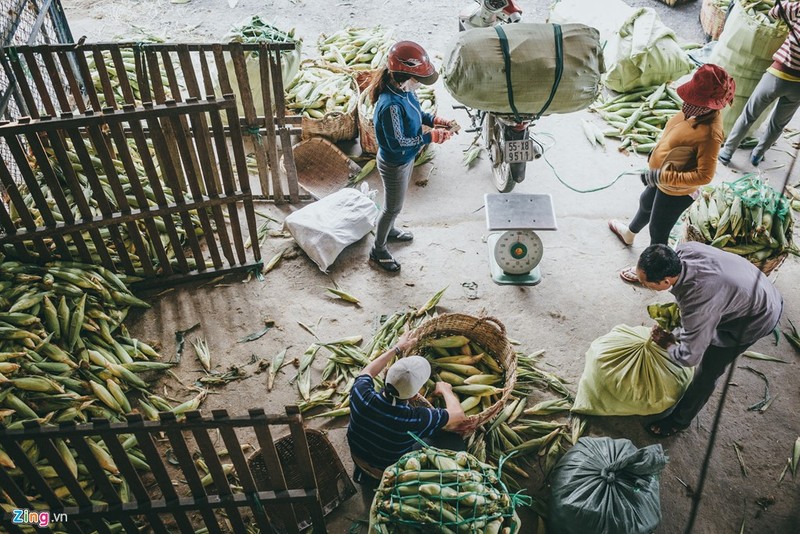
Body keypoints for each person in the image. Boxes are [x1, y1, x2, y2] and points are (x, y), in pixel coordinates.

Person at [635, 243, 783, 437]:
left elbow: (690, 358)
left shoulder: (699, 301)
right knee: (697, 326)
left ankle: (678, 421)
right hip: (754, 288)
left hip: (757, 317)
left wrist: (668, 344)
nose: (643, 285)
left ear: (666, 281)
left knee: (708, 371)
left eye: (645, 282)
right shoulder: (684, 250)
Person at [608, 64, 735, 284]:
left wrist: (663, 177)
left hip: (677, 190)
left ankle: (650, 273)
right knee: (646, 203)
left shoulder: (711, 133)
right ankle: (629, 234)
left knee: (659, 231)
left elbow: (705, 176)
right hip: (661, 177)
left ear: (711, 105)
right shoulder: (694, 112)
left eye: (695, 100)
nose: (688, 103)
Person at [366, 40, 459, 272]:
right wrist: (430, 138)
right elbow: (399, 143)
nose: (419, 84)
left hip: (406, 159)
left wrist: (437, 122)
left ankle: (391, 230)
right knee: (391, 208)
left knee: (395, 205)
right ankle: (378, 250)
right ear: (404, 76)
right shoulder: (391, 106)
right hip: (395, 162)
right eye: (418, 79)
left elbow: (419, 114)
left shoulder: (403, 91)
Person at [347, 330, 466, 485]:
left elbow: (368, 371)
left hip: (357, 456)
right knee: (455, 442)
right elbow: (459, 415)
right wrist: (446, 390)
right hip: (386, 469)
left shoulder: (361, 393)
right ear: (414, 396)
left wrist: (398, 347)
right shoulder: (414, 419)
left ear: (387, 374)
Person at [718, 1, 800, 167]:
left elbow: (775, 13)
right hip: (798, 88)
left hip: (777, 76)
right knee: (778, 124)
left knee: (749, 114)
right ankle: (757, 154)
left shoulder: (798, 8)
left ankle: (727, 152)